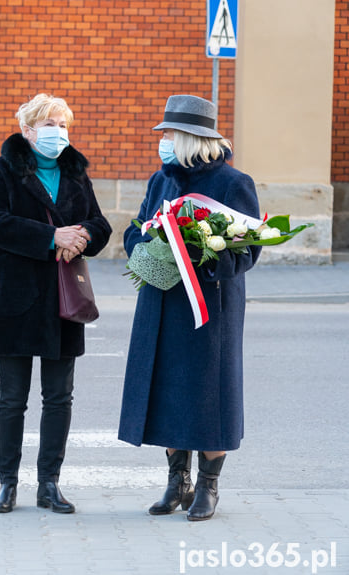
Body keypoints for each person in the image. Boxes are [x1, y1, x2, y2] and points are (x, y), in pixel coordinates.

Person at [118, 95, 261, 521]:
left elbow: (248, 250)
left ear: (189, 139)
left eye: (168, 135)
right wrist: (146, 248)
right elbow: (136, 227)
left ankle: (208, 485)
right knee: (166, 390)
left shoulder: (235, 183)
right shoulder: (159, 180)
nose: (162, 142)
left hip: (209, 306)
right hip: (162, 299)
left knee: (207, 393)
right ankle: (176, 481)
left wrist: (203, 250)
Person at [0, 93, 111, 514]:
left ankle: (49, 483)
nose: (59, 132)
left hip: (62, 300)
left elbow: (100, 223)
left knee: (59, 396)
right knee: (11, 397)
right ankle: (7, 484)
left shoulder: (75, 171)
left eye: (63, 124)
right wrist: (52, 237)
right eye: (50, 124)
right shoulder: (4, 169)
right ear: (28, 130)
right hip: (15, 296)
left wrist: (83, 236)